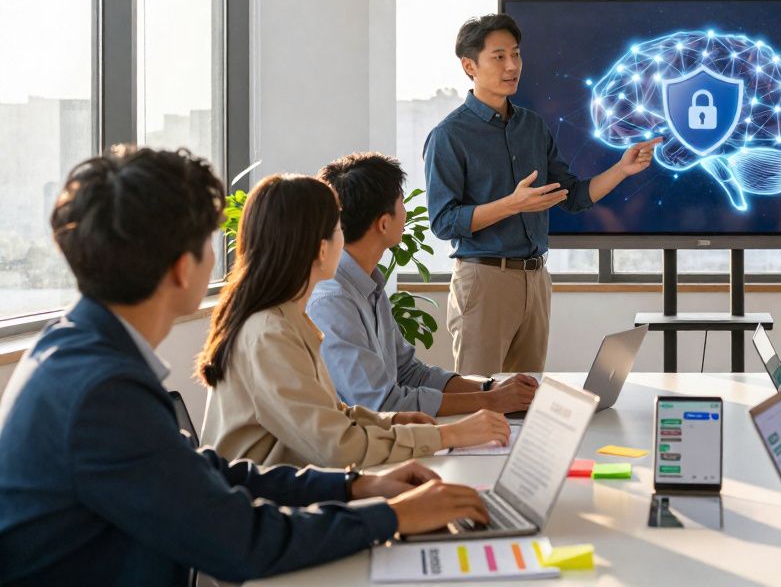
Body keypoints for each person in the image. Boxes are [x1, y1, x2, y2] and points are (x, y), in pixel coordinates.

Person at [0, 147, 491, 586]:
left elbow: (199, 471)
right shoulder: (99, 390)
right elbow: (239, 540)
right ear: (181, 266)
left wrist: (356, 485)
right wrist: (390, 517)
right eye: (210, 243)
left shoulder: (82, 355)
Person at [198, 173, 510, 468]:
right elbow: (335, 446)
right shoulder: (271, 332)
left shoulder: (286, 317)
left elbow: (330, 415)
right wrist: (449, 434)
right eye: (337, 228)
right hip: (267, 505)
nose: (344, 238)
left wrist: (389, 422)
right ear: (322, 249)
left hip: (295, 489)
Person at [424, 13, 661, 375]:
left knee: (524, 399)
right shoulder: (449, 135)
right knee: (480, 398)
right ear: (469, 65)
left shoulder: (532, 126)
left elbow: (574, 196)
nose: (512, 66)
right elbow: (443, 222)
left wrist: (621, 169)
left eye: (516, 54)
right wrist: (511, 205)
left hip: (535, 279)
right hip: (484, 280)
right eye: (499, 56)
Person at [310, 152, 538, 415]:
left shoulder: (368, 285)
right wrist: (492, 403)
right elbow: (380, 404)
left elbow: (409, 372)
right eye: (401, 202)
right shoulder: (332, 300)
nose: (406, 213)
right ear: (383, 224)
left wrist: (491, 387)